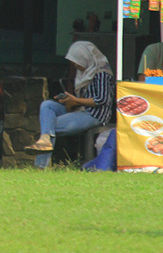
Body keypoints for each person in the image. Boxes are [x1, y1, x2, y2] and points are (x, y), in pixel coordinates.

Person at [25, 41, 115, 169]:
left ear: (85, 57)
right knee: (47, 105)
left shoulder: (102, 74)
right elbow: (78, 99)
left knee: (49, 125)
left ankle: (40, 166)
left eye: (76, 61)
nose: (74, 65)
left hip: (93, 114)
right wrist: (69, 100)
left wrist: (76, 101)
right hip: (79, 108)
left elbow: (101, 99)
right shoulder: (83, 72)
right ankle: (45, 139)